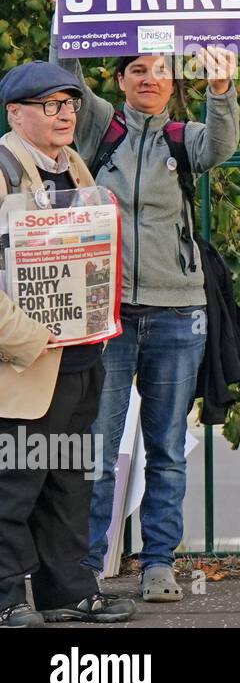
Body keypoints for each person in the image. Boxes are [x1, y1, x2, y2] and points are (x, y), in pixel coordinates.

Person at [47, 0, 240, 600]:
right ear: (122, 80)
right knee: (98, 451)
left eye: (161, 69)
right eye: (138, 70)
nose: (151, 79)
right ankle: (89, 567)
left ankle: (159, 562)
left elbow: (221, 148)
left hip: (179, 312)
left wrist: (221, 89)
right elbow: (64, 78)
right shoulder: (102, 128)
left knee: (163, 444)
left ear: (170, 79)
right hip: (106, 314)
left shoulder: (183, 137)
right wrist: (64, 10)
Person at [0, 61, 134, 627]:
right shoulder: (3, 169)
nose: (65, 115)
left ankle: (67, 592)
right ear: (16, 114)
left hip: (83, 353)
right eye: (50, 105)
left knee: (69, 478)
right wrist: (29, 338)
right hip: (28, 360)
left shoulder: (75, 167)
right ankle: (6, 598)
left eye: (70, 104)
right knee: (15, 483)